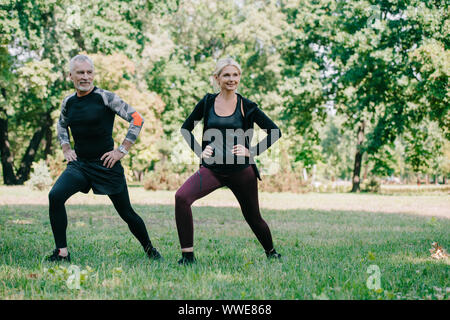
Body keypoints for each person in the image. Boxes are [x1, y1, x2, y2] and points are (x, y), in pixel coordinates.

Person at [46, 54, 161, 262]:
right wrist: (65, 147)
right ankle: (62, 252)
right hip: (80, 165)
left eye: (89, 72)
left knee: (127, 213)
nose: (85, 77)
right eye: (80, 72)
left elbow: (136, 119)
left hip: (106, 165)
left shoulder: (106, 97)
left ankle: (150, 250)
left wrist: (121, 150)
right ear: (70, 75)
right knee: (55, 196)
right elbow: (61, 124)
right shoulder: (68, 102)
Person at [175, 57, 282, 264]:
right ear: (217, 78)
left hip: (241, 172)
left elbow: (274, 131)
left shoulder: (247, 106)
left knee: (253, 217)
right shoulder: (207, 102)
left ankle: (271, 252)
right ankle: (187, 257)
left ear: (239, 77)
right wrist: (199, 150)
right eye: (226, 75)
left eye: (235, 75)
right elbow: (185, 128)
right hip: (212, 170)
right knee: (181, 198)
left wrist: (252, 151)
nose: (231, 79)